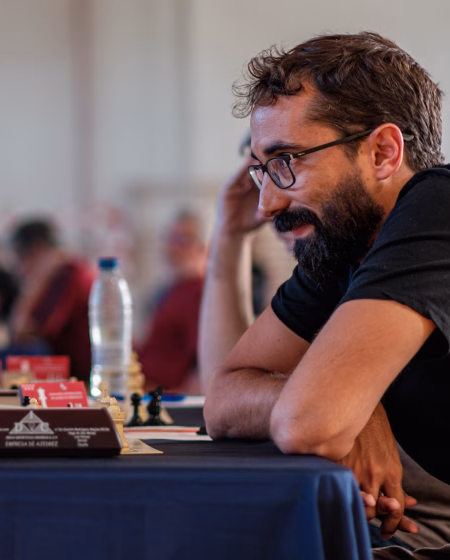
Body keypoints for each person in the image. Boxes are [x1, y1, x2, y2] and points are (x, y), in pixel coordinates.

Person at [202, 32, 450, 557]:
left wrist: (339, 412)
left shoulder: (439, 203)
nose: (268, 204)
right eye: (262, 169)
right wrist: (365, 412)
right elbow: (222, 400)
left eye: (287, 160)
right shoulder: (345, 242)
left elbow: (306, 424)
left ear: (383, 152)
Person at [8, 218, 95, 383]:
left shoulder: (69, 275)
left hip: (86, 380)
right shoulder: (69, 271)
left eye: (21, 258)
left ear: (38, 250)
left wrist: (35, 284)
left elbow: (23, 330)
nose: (21, 269)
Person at [135, 210, 207, 392]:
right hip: (146, 390)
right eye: (169, 239)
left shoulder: (198, 292)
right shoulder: (172, 289)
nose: (172, 248)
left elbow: (203, 365)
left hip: (167, 401)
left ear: (201, 247)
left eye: (182, 240)